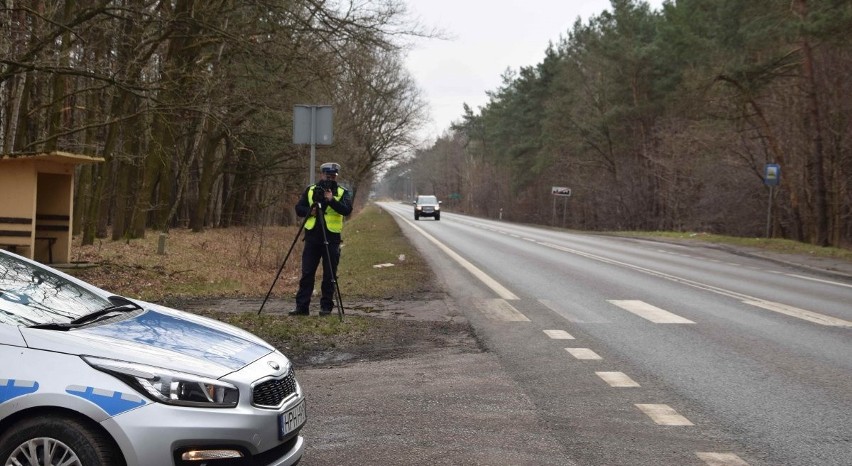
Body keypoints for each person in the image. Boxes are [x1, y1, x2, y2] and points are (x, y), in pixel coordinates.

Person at [289, 162, 353, 316]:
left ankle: (326, 307)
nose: (329, 178)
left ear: (336, 176)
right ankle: (302, 307)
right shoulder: (311, 190)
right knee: (307, 273)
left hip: (331, 238)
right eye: (327, 175)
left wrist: (332, 200)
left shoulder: (342, 192)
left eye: (332, 176)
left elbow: (346, 210)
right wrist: (309, 212)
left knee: (329, 274)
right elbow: (299, 209)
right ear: (321, 175)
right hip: (312, 237)